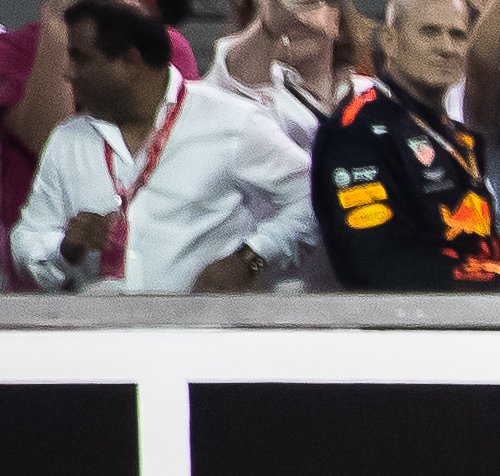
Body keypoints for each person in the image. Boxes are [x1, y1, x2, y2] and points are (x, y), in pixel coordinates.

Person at [11, 0, 310, 293]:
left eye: (81, 59)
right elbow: (28, 238)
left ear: (129, 62)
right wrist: (64, 249)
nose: (68, 73)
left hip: (207, 323)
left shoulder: (232, 121)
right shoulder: (68, 140)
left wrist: (253, 257)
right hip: (95, 323)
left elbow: (310, 195)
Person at [312, 0, 500, 289]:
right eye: (430, 32)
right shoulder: (357, 130)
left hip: (479, 310)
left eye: (457, 35)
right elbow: (380, 264)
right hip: (403, 317)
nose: (446, 47)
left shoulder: (459, 137)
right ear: (390, 41)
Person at [3, 0, 198, 292]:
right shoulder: (11, 51)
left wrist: (254, 253)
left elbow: (190, 136)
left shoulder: (164, 45)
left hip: (171, 290)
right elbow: (46, 140)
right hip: (46, 292)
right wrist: (57, 24)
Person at [204, 0, 372, 154]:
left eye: (309, 3)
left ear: (338, 18)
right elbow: (233, 82)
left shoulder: (371, 93)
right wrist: (268, 28)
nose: (295, 18)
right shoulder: (243, 94)